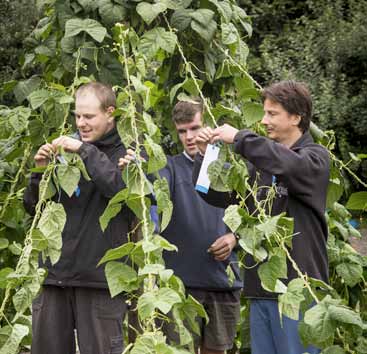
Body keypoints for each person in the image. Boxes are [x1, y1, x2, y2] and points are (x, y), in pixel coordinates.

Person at [193, 81, 330, 354]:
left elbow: (287, 164)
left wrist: (240, 138)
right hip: (261, 289)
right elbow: (220, 196)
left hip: (298, 290)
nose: (264, 120)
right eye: (264, 113)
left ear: (296, 117)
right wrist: (205, 155)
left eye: (272, 114)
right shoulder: (262, 166)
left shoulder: (315, 158)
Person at [119, 99, 242, 354]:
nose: (189, 136)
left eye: (195, 128)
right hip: (181, 285)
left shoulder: (232, 172)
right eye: (182, 131)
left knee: (217, 350)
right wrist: (135, 169)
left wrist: (234, 237)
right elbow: (151, 190)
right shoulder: (169, 168)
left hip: (223, 280)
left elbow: (251, 215)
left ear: (209, 126)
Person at [24, 82, 131, 354]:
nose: (81, 123)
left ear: (110, 113)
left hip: (99, 283)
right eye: (77, 115)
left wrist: (84, 151)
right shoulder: (64, 154)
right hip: (54, 278)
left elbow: (121, 193)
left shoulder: (127, 154)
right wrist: (40, 173)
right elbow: (33, 208)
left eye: (89, 116)